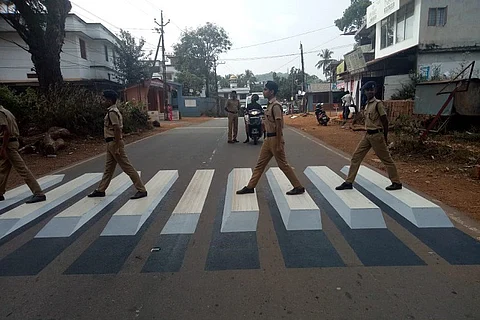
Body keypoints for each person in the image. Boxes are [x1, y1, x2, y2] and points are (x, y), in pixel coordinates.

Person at [237, 81, 305, 196]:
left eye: (265, 89)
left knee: (283, 164)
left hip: (274, 138)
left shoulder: (276, 106)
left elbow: (279, 125)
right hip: (268, 139)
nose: (264, 91)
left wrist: (279, 143)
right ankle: (250, 186)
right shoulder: (269, 105)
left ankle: (298, 186)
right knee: (260, 164)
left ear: (271, 91)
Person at [336, 81, 402, 191]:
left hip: (377, 135)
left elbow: (384, 120)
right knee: (356, 157)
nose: (370, 92)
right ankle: (349, 182)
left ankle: (396, 182)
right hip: (368, 135)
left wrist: (385, 136)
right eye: (368, 90)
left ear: (375, 91)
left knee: (386, 159)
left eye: (372, 89)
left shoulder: (378, 104)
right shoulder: (367, 105)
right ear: (365, 92)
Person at [88, 90, 147, 199]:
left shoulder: (112, 112)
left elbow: (117, 128)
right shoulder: (112, 111)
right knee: (108, 169)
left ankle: (141, 189)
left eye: (104, 99)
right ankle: (101, 190)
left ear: (109, 100)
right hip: (111, 143)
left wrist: (117, 145)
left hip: (114, 142)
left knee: (127, 167)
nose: (103, 101)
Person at [0, 104, 46, 204]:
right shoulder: (7, 111)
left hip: (8, 144)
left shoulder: (0, 114)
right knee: (2, 168)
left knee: (22, 169)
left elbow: (6, 131)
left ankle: (38, 193)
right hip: (12, 142)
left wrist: (3, 148)